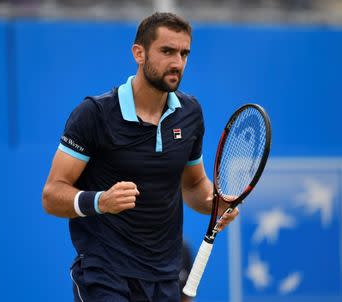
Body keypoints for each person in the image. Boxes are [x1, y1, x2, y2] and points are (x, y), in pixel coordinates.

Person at [42, 12, 239, 302]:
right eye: (167, 51)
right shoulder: (94, 114)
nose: (177, 63)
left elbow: (194, 186)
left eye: (184, 53)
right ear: (139, 53)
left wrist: (216, 204)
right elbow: (52, 195)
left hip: (165, 276)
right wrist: (101, 201)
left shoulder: (190, 114)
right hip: (105, 271)